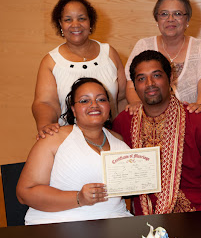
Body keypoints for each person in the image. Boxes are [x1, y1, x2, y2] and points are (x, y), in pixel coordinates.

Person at [113, 50, 201, 233]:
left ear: (170, 78)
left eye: (156, 75)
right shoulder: (124, 123)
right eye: (141, 79)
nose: (149, 84)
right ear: (134, 85)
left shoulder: (197, 120)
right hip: (147, 226)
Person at [17, 78, 132, 225]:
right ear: (73, 109)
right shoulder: (53, 138)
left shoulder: (119, 141)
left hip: (116, 224)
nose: (94, 105)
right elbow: (25, 193)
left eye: (101, 99)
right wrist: (78, 198)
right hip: (60, 225)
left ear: (109, 106)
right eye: (85, 101)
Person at [32, 0, 127, 140]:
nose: (75, 24)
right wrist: (45, 125)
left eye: (81, 18)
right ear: (60, 24)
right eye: (68, 19)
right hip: (68, 140)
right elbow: (45, 103)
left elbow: (122, 99)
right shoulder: (51, 61)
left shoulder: (109, 53)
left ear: (90, 22)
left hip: (110, 138)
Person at [125, 0, 201, 115]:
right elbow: (132, 84)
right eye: (164, 14)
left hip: (191, 121)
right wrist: (136, 103)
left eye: (178, 14)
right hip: (150, 120)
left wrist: (200, 106)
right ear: (156, 19)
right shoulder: (143, 46)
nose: (170, 19)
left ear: (187, 20)